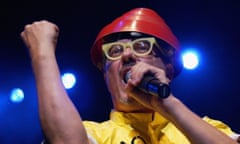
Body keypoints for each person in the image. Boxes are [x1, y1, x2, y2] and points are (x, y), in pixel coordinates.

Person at [21, 7, 239, 144]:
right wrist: (42, 53)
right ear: (106, 76)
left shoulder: (208, 129)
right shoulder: (94, 134)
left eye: (142, 46)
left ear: (169, 71)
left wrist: (167, 104)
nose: (127, 55)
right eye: (114, 51)